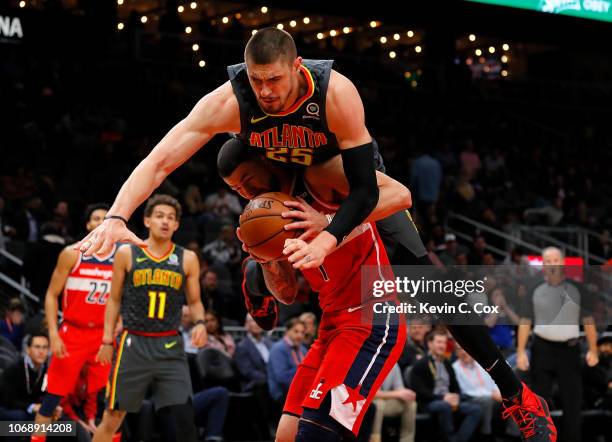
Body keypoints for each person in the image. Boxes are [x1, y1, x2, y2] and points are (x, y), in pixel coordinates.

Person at [78, 27, 556, 442]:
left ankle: (514, 391)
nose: (264, 91)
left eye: (274, 80)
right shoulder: (230, 102)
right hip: (292, 191)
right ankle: (257, 271)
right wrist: (118, 215)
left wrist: (330, 230)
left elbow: (381, 192)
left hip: (350, 187)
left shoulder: (335, 93)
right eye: (256, 80)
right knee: (260, 231)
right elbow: (161, 159)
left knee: (429, 282)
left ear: (296, 67)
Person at [220, 139, 408, 441]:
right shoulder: (271, 215)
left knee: (317, 434)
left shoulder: (320, 176)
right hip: (330, 326)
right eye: (236, 189)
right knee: (286, 435)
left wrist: (329, 223)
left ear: (266, 162)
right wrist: (264, 258)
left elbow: (400, 195)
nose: (245, 193)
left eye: (247, 181)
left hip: (370, 319)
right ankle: (254, 275)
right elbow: (287, 293)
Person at [92, 194, 207, 442]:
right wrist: (106, 340)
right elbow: (113, 299)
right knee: (112, 417)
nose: (165, 222)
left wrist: (200, 324)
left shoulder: (187, 258)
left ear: (177, 225)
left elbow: (195, 302)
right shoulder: (127, 254)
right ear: (146, 221)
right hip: (133, 343)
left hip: (169, 345)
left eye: (171, 218)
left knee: (185, 418)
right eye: (159, 216)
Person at [32, 204, 114, 442]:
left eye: (105, 218)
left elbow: (121, 298)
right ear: (88, 224)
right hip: (73, 332)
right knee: (52, 397)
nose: (100, 222)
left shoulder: (121, 256)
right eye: (96, 218)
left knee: (108, 400)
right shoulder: (72, 253)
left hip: (102, 336)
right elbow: (50, 295)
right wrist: (54, 336)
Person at [516, 246, 599, 442]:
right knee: (537, 403)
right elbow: (525, 321)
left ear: (562, 263)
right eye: (548, 261)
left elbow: (588, 321)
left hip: (569, 350)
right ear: (543, 265)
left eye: (555, 260)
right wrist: (520, 351)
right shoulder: (534, 289)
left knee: (573, 403)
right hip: (542, 349)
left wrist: (594, 350)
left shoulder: (577, 288)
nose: (552, 264)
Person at [410, 330, 482, 442]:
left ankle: (458, 439)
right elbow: (419, 391)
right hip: (429, 402)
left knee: (475, 409)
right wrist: (442, 398)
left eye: (444, 343)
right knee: (444, 406)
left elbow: (455, 386)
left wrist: (456, 396)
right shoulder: (421, 364)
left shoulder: (447, 363)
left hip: (449, 400)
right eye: (439, 342)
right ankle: (449, 439)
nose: (442, 345)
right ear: (430, 344)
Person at [233, 314, 274, 439]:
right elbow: (248, 372)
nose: (256, 324)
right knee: (264, 385)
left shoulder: (269, 343)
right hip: (253, 386)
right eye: (253, 321)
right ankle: (270, 428)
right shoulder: (242, 346)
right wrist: (271, 379)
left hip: (270, 382)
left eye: (258, 321)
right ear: (246, 325)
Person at [452, 344, 502, 439]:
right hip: (470, 397)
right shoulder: (455, 368)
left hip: (489, 395)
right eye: (459, 349)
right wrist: (491, 394)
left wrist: (498, 392)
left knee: (512, 396)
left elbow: (492, 382)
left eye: (465, 349)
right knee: (486, 401)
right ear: (456, 353)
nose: (463, 352)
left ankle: (513, 434)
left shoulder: (480, 364)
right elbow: (465, 390)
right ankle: (486, 434)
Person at [370, 363, 417, 442]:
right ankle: (375, 439)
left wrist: (407, 393)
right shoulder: (370, 361)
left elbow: (399, 388)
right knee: (378, 404)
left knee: (411, 404)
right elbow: (370, 394)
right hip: (367, 403)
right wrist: (397, 394)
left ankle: (407, 440)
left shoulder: (394, 364)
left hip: (386, 402)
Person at [267, 318, 308, 403]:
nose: (299, 335)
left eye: (302, 333)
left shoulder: (302, 349)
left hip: (299, 392)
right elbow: (281, 378)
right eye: (296, 331)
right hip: (282, 394)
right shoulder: (278, 349)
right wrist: (302, 369)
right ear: (287, 331)